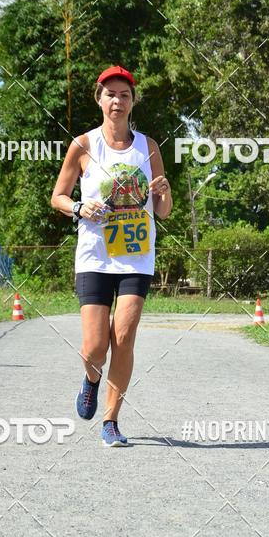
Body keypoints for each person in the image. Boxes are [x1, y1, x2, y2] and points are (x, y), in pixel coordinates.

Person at [51, 65, 172, 447]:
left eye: (124, 94)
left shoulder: (148, 147)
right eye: (110, 94)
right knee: (94, 346)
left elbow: (164, 210)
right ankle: (90, 379)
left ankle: (111, 420)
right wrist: (78, 208)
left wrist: (164, 191)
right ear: (98, 99)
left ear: (133, 101)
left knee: (124, 335)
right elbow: (58, 196)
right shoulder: (83, 145)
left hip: (136, 254)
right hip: (94, 255)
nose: (117, 100)